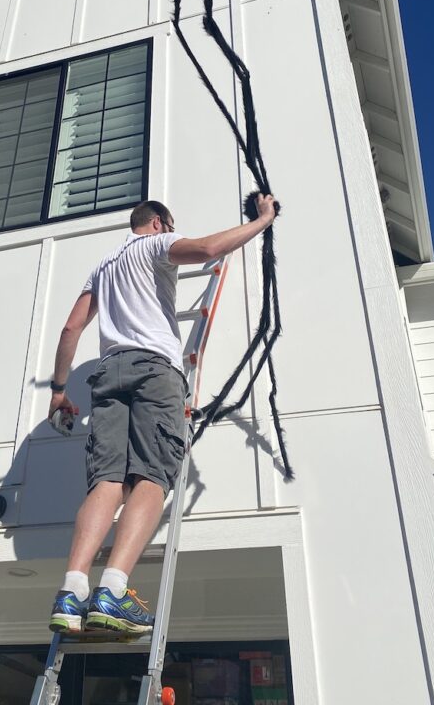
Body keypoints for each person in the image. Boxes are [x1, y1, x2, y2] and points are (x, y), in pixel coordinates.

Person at [47, 194, 277, 635]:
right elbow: (209, 250)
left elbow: (71, 328)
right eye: (171, 226)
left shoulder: (104, 265)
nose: (173, 232)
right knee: (151, 475)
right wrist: (263, 219)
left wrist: (59, 390)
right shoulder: (155, 245)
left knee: (108, 481)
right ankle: (112, 591)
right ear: (157, 223)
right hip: (154, 369)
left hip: (108, 373)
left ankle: (71, 590)